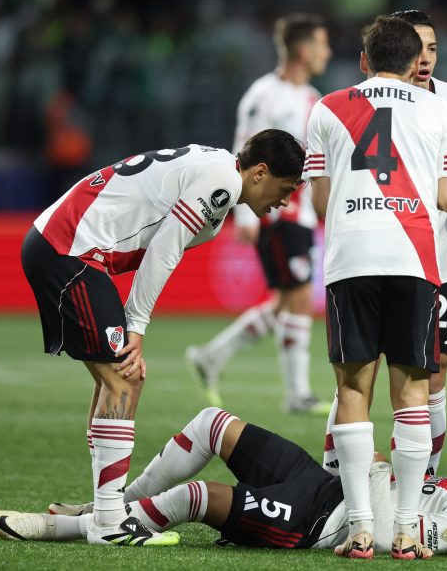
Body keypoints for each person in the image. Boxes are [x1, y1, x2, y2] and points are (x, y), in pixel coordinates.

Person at [20, 129, 306, 546]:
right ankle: (108, 522)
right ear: (260, 172)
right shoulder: (223, 182)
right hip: (72, 250)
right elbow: (165, 249)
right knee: (125, 377)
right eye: (285, 188)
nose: (285, 201)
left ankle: (104, 510)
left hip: (64, 243)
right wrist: (135, 324)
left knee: (114, 379)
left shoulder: (218, 167)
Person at [303, 15, 447, 559]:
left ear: (365, 60)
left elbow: (321, 202)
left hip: (352, 259)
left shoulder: (328, 107)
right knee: (413, 392)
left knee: (353, 390)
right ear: (414, 60)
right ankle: (408, 526)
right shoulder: (442, 110)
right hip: (415, 259)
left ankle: (359, 526)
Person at [0, 408, 447, 555]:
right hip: (325, 487)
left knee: (196, 499)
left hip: (315, 522)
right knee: (212, 424)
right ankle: (115, 504)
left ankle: (70, 529)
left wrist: (375, 480)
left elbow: (389, 541)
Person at [321, 9, 447, 476]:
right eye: (417, 48)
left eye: (433, 48)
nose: (425, 58)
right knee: (363, 374)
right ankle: (339, 465)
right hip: (403, 259)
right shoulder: (369, 108)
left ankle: (423, 479)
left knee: (432, 375)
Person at [186, 14, 333, 414]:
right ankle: (297, 394)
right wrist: (247, 215)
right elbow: (244, 152)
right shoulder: (263, 95)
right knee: (298, 298)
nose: (328, 52)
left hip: (300, 213)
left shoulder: (313, 97)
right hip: (274, 211)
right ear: (304, 51)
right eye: (322, 45)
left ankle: (213, 355)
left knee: (289, 300)